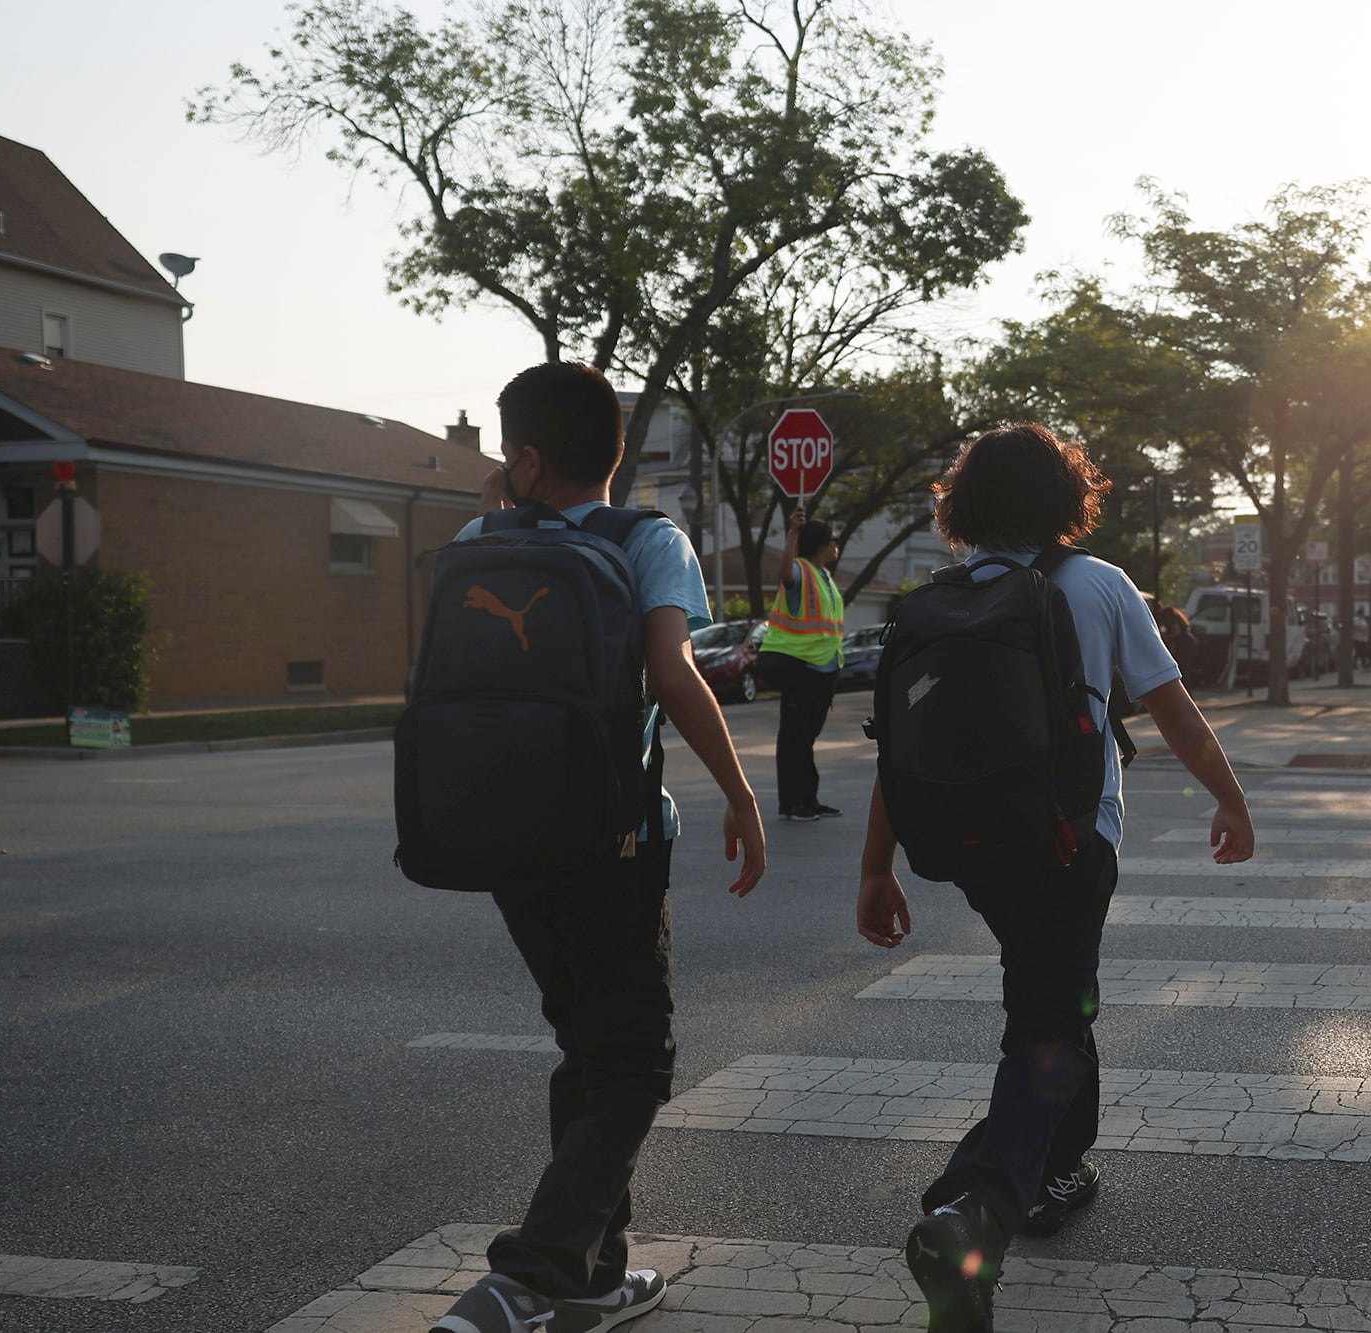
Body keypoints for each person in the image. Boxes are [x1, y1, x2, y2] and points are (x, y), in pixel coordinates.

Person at [855, 424, 1256, 1333]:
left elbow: (895, 756)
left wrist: (877, 868)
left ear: (966, 507)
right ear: (1066, 499)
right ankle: (973, 1210)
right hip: (1071, 843)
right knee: (1047, 1020)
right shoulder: (1100, 583)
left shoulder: (940, 601)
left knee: (1056, 994)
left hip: (970, 848)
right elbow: (1177, 713)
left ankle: (1056, 1166)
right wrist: (1230, 800)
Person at [429, 363, 767, 1333]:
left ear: (525, 458)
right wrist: (738, 793)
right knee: (632, 1058)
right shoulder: (645, 539)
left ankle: (588, 1276)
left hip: (497, 831)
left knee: (589, 1044)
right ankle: (527, 1275)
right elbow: (672, 670)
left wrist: (500, 507)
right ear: (614, 449)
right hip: (611, 838)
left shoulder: (474, 541)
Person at [758, 508, 846, 821]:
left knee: (807, 738)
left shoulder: (824, 577)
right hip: (799, 667)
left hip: (824, 668)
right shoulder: (800, 570)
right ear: (821, 544)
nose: (837, 544)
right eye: (833, 539)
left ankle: (809, 798)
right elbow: (785, 573)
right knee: (793, 736)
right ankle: (791, 804)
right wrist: (793, 534)